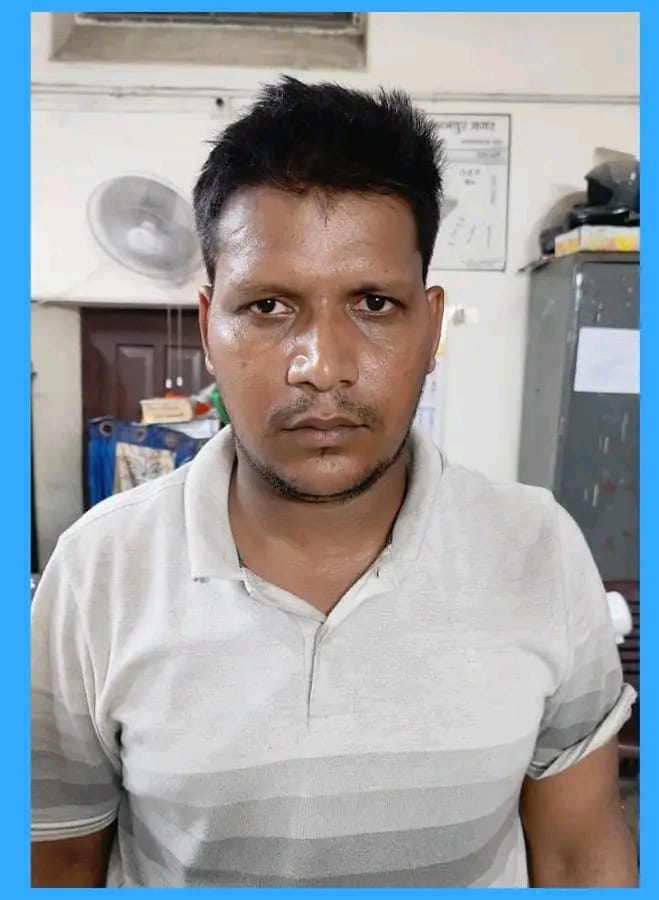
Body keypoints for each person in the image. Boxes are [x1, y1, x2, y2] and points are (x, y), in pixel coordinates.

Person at [31, 77, 638, 888]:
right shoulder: (97, 571)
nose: (322, 367)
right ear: (209, 327)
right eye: (268, 306)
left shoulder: (537, 548)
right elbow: (57, 859)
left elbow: (577, 848)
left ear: (430, 326)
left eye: (374, 303)